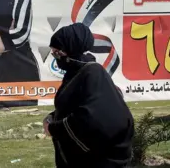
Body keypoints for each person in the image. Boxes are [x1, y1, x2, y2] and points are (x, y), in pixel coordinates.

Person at [43, 23, 134, 168]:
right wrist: (53, 116)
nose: (55, 57)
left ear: (70, 50)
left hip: (101, 160)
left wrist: (54, 128)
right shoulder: (75, 74)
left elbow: (93, 117)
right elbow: (73, 104)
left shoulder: (93, 73)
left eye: (57, 53)